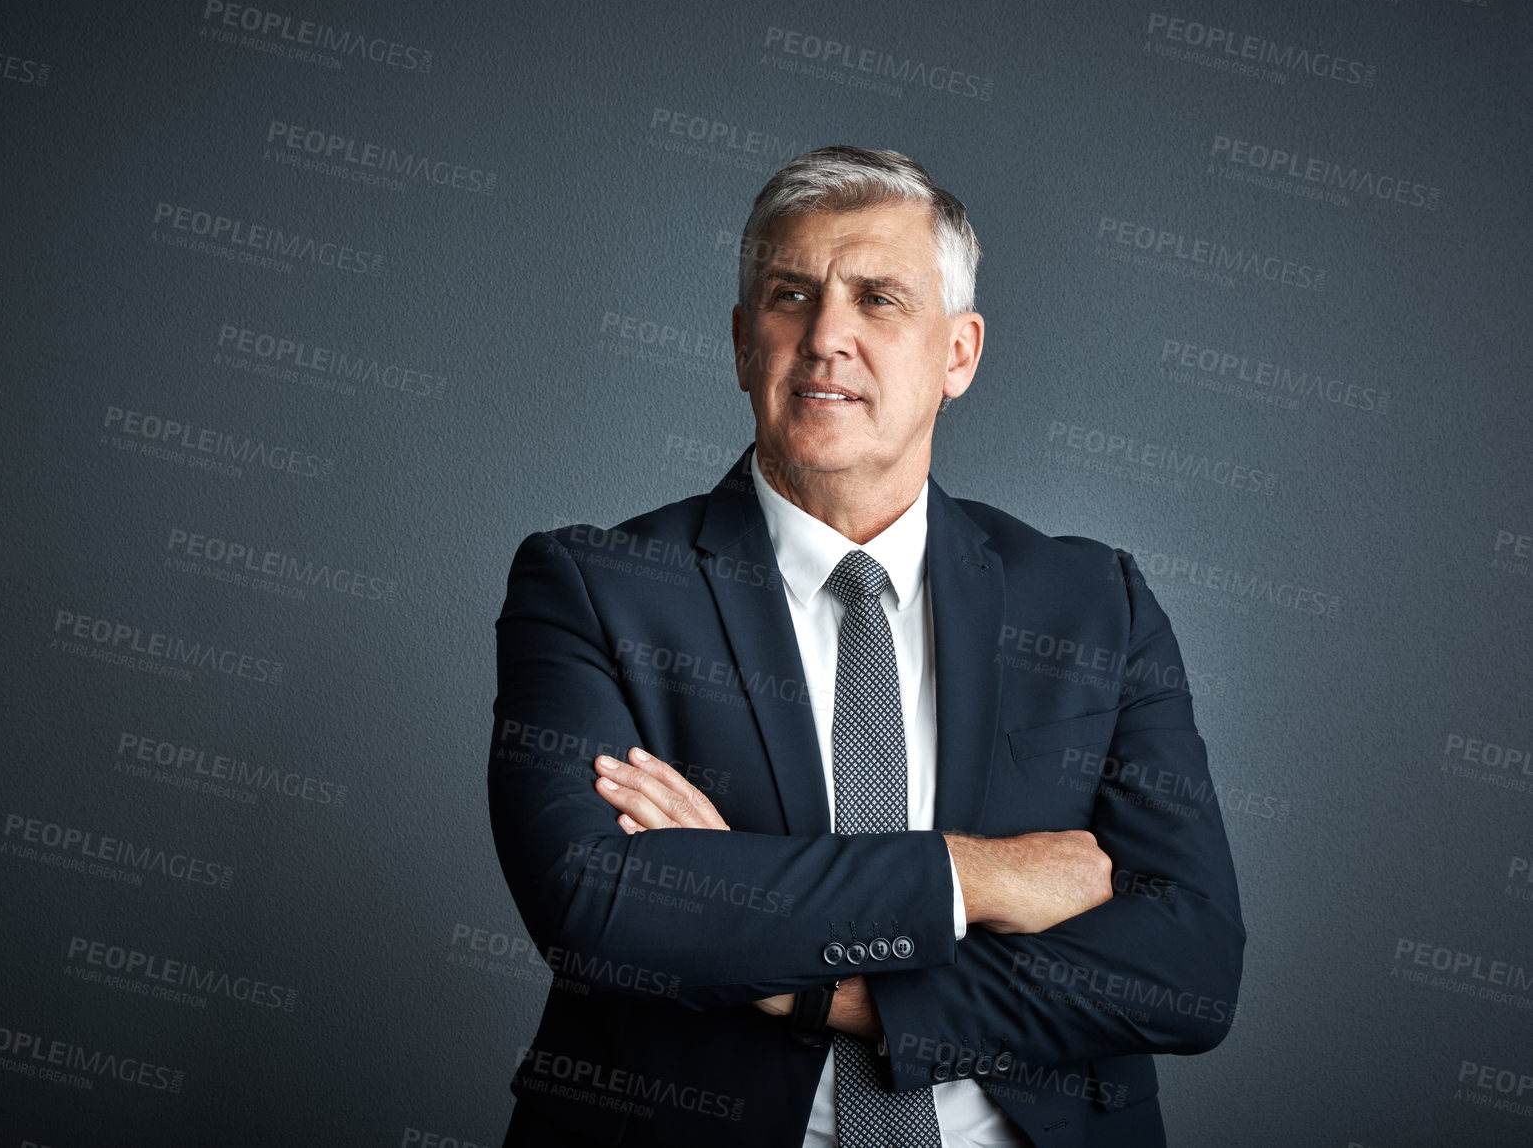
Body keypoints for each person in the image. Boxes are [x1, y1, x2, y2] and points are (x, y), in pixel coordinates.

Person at [488, 146, 1244, 1147]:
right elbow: (595, 908)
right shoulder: (593, 587)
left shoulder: (1094, 603)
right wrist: (975, 876)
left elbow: (1188, 971)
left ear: (959, 355)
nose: (826, 337)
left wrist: (807, 981)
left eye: (879, 299)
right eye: (790, 296)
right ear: (742, 343)